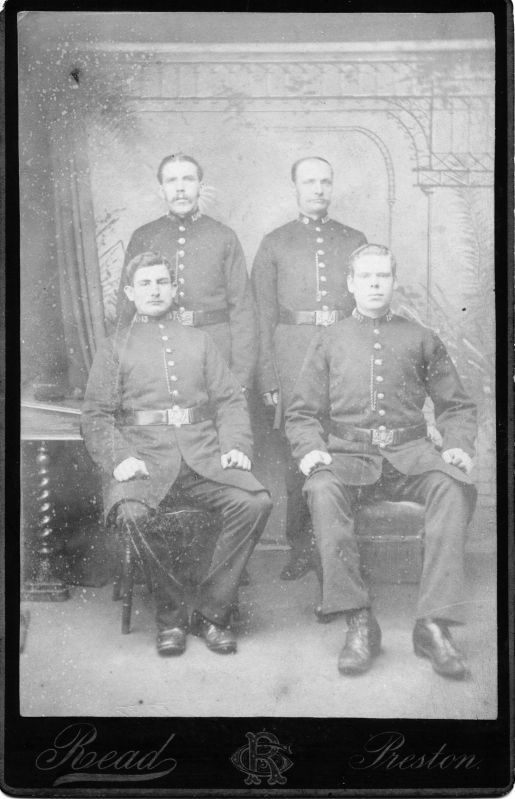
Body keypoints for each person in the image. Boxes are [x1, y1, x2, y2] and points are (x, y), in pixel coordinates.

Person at [285, 244, 477, 679]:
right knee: (320, 487)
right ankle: (358, 621)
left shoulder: (421, 337)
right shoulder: (328, 339)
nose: (374, 284)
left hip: (411, 456)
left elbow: (457, 406)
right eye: (365, 277)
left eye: (382, 276)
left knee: (452, 485)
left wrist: (457, 444)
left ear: (394, 282)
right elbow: (300, 414)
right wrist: (310, 448)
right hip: (350, 458)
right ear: (350, 284)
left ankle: (433, 624)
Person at [82, 252, 272, 657]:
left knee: (255, 502)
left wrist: (236, 446)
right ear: (131, 293)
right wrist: (120, 458)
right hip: (146, 465)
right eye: (145, 284)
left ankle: (211, 613)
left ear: (173, 289)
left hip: (203, 461)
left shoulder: (199, 341)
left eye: (162, 282)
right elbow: (96, 415)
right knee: (132, 514)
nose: (154, 290)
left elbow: (230, 402)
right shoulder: (115, 347)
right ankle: (171, 617)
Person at [251, 156, 367, 580]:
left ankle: (337, 548)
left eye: (325, 181)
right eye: (309, 182)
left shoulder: (354, 238)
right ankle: (301, 547)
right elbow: (261, 316)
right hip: (291, 354)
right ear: (295, 188)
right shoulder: (275, 242)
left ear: (332, 187)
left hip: (343, 353)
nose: (318, 189)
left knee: (344, 445)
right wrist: (267, 376)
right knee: (293, 456)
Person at [115, 153, 256, 392]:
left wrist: (240, 376)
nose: (180, 188)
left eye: (188, 179)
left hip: (215, 347)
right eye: (171, 181)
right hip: (156, 346)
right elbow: (125, 309)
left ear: (200, 187)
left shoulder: (223, 237)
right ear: (161, 190)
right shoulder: (143, 236)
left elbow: (242, 311)